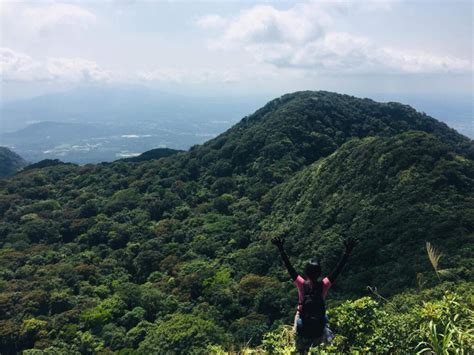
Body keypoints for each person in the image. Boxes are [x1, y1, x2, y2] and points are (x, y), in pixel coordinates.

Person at [271, 236, 358, 354]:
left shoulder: (301, 283)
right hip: (318, 325)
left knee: (299, 341)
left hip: (303, 322)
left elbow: (290, 268)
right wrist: (347, 252)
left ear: (306, 272)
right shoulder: (324, 284)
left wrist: (281, 249)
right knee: (324, 321)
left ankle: (300, 348)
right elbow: (337, 270)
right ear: (319, 273)